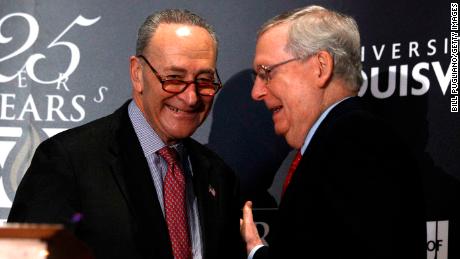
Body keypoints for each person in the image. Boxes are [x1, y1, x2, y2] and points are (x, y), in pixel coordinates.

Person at [8, 9, 242, 259]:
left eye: (204, 80)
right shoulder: (68, 161)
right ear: (137, 74)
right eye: (174, 78)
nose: (191, 96)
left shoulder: (218, 175)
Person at [240, 5, 426, 259]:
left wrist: (256, 254)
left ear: (320, 67)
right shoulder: (340, 142)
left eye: (266, 73)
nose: (256, 92)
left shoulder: (357, 144)